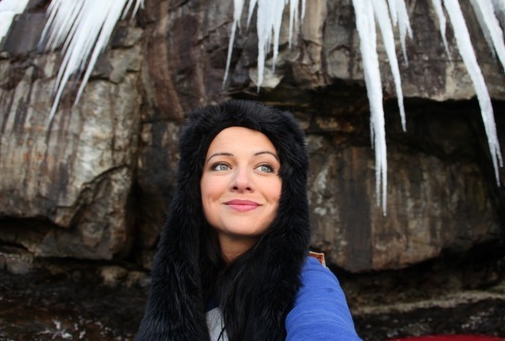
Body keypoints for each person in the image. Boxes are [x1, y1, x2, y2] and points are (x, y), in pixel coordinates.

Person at [135, 99, 362, 341]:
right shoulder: (177, 283)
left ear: (288, 190)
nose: (241, 181)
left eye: (264, 167)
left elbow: (324, 325)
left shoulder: (309, 282)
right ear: (195, 185)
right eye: (221, 165)